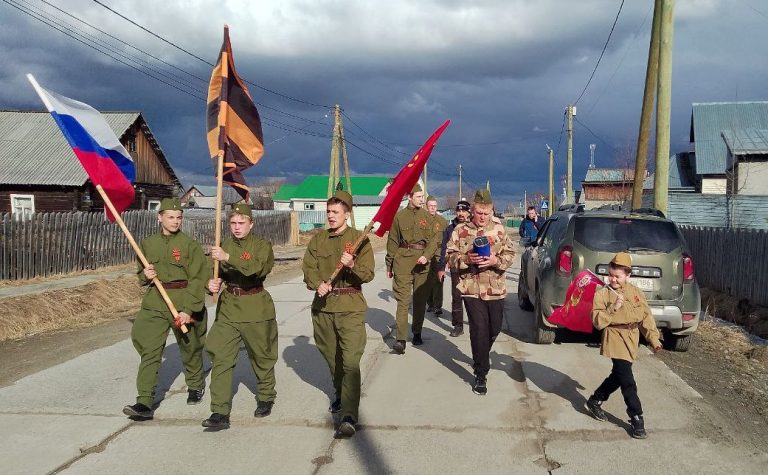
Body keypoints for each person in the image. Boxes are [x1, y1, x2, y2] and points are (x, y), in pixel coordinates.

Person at [123, 198, 209, 420]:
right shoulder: (148, 243)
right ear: (159, 217)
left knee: (190, 348)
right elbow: (141, 275)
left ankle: (195, 384)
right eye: (170, 217)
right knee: (150, 350)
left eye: (179, 217)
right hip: (156, 301)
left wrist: (188, 310)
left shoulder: (190, 246)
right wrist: (146, 275)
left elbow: (199, 280)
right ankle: (144, 401)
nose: (175, 221)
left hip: (184, 300)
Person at [302, 190, 375, 438]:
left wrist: (353, 264)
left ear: (347, 214)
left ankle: (349, 415)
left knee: (351, 361)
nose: (331, 216)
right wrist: (316, 283)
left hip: (351, 306)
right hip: (323, 308)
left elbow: (368, 274)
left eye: (336, 212)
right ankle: (340, 394)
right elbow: (308, 269)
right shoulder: (318, 240)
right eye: (329, 211)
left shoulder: (359, 240)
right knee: (333, 359)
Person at [202, 204, 278, 430]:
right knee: (221, 357)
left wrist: (228, 257)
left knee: (261, 356)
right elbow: (211, 273)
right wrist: (211, 283)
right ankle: (219, 411)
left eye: (241, 223)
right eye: (233, 223)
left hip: (255, 307)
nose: (236, 228)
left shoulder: (262, 245)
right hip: (229, 309)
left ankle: (265, 395)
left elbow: (257, 269)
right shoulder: (222, 244)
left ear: (251, 224)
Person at [586, 252, 662, 439]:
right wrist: (613, 308)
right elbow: (597, 321)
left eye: (617, 276)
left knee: (618, 375)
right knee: (627, 379)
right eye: (610, 275)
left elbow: (646, 317)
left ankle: (595, 400)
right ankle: (636, 416)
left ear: (628, 276)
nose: (613, 279)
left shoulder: (636, 293)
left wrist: (654, 339)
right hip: (614, 336)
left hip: (632, 337)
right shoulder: (602, 294)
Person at [446, 190, 515, 395]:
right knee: (479, 330)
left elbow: (511, 254)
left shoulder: (500, 230)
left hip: (495, 289)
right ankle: (480, 373)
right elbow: (449, 257)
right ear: (472, 211)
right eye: (478, 212)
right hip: (471, 288)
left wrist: (496, 261)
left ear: (491, 210)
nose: (482, 217)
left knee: (494, 329)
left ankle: (481, 354)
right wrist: (467, 259)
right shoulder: (460, 230)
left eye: (486, 213)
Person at [385, 184, 440, 354]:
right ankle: (401, 339)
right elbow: (393, 241)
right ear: (409, 197)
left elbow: (435, 239)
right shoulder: (399, 217)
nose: (422, 200)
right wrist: (389, 264)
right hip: (402, 260)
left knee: (419, 300)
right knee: (403, 301)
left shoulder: (429, 217)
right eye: (418, 197)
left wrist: (427, 255)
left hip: (422, 262)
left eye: (423, 197)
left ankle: (417, 332)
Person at [437, 199, 471, 337]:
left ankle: (476, 323)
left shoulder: (473, 227)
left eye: (463, 210)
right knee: (457, 297)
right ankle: (458, 325)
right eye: (458, 210)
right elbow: (444, 248)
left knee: (472, 297)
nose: (461, 213)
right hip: (456, 267)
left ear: (469, 212)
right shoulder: (450, 229)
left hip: (471, 268)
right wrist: (441, 267)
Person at [425, 195, 448, 316]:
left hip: (439, 255)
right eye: (430, 206)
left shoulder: (442, 221)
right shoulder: (422, 221)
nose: (433, 208)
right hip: (426, 255)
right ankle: (430, 303)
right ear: (426, 207)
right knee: (427, 281)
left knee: (439, 280)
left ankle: (438, 306)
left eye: (435, 206)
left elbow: (447, 239)